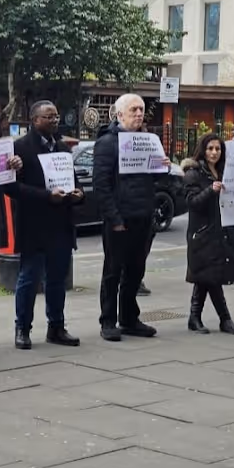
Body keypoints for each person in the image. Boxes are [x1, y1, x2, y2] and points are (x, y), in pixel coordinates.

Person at [7, 100, 84, 348]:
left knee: (57, 279)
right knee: (29, 278)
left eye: (56, 116)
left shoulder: (62, 148)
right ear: (34, 120)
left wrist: (78, 193)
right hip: (34, 224)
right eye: (48, 117)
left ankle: (56, 327)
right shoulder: (20, 148)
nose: (54, 120)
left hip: (60, 223)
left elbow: (72, 180)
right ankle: (23, 328)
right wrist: (45, 196)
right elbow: (11, 187)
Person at [92, 92, 160, 341]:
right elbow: (101, 185)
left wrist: (160, 166)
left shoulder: (146, 140)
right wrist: (114, 218)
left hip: (142, 217)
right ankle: (108, 320)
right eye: (134, 110)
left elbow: (152, 181)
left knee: (135, 271)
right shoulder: (108, 142)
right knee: (113, 271)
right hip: (119, 220)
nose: (139, 114)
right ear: (119, 114)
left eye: (141, 110)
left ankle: (129, 318)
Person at [182, 134, 234, 334]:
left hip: (221, 230)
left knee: (208, 277)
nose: (214, 152)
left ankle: (195, 317)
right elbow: (192, 203)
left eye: (218, 149)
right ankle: (224, 318)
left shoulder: (225, 172)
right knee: (209, 276)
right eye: (210, 148)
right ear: (203, 150)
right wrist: (210, 191)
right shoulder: (193, 173)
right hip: (202, 233)